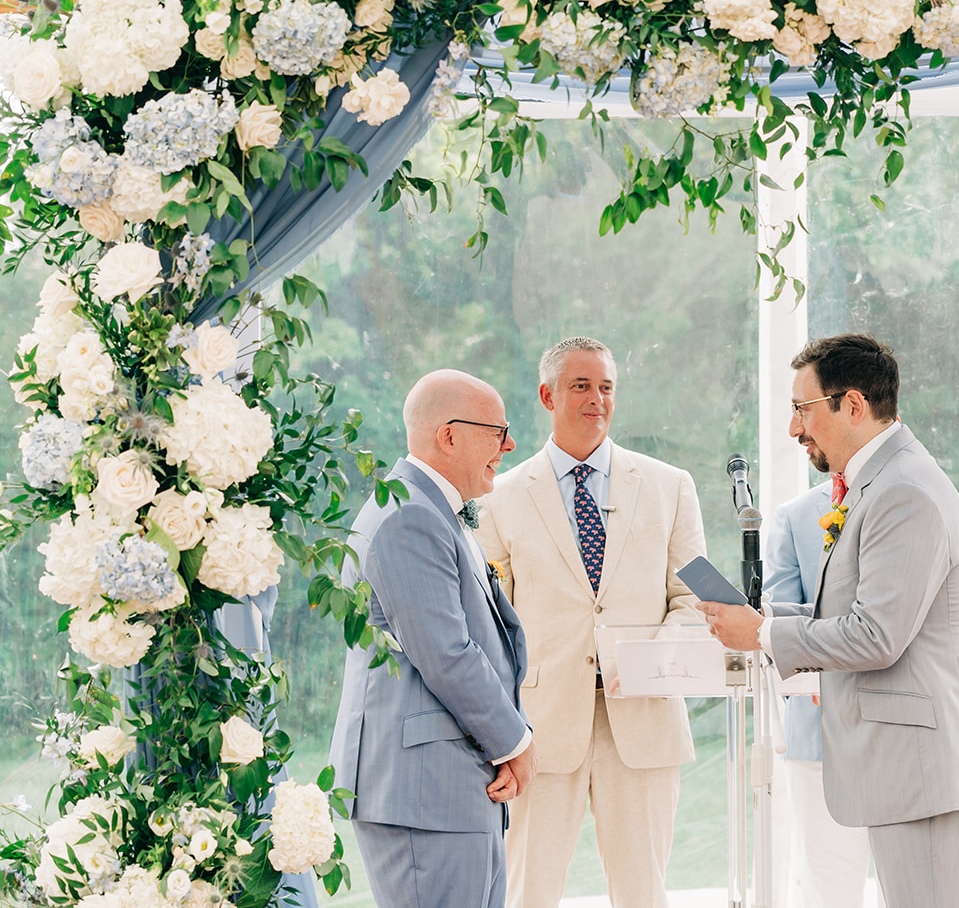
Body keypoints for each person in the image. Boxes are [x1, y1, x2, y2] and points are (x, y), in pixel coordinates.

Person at [702, 334, 959, 908]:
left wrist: (762, 635)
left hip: (921, 771)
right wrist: (765, 616)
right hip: (906, 768)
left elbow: (876, 635)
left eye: (802, 408)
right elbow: (863, 612)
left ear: (854, 405)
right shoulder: (882, 481)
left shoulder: (904, 490)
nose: (794, 428)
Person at [477, 336, 707, 908]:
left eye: (606, 387)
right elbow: (488, 625)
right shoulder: (499, 499)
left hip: (644, 722)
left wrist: (652, 661)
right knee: (528, 892)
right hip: (539, 729)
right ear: (547, 395)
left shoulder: (671, 486)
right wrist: (499, 731)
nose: (596, 399)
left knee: (643, 894)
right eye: (581, 386)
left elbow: (694, 598)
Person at [329, 369, 534, 908]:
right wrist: (516, 743)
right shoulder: (410, 517)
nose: (509, 446)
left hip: (446, 786)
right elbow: (448, 654)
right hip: (425, 793)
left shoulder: (429, 509)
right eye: (498, 432)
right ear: (449, 436)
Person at [764, 481, 872, 908]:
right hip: (819, 740)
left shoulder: (941, 505)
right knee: (830, 889)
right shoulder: (794, 516)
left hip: (913, 736)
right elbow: (778, 631)